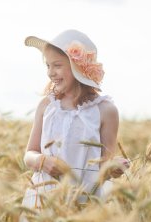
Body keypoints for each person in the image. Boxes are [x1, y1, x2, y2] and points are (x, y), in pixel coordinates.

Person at [22, 29, 129, 207]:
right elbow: (28, 155)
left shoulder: (105, 111)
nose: (50, 73)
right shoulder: (47, 106)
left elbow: (104, 165)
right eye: (48, 66)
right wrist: (42, 161)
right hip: (43, 200)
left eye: (57, 65)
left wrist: (114, 168)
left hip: (85, 201)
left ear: (76, 67)